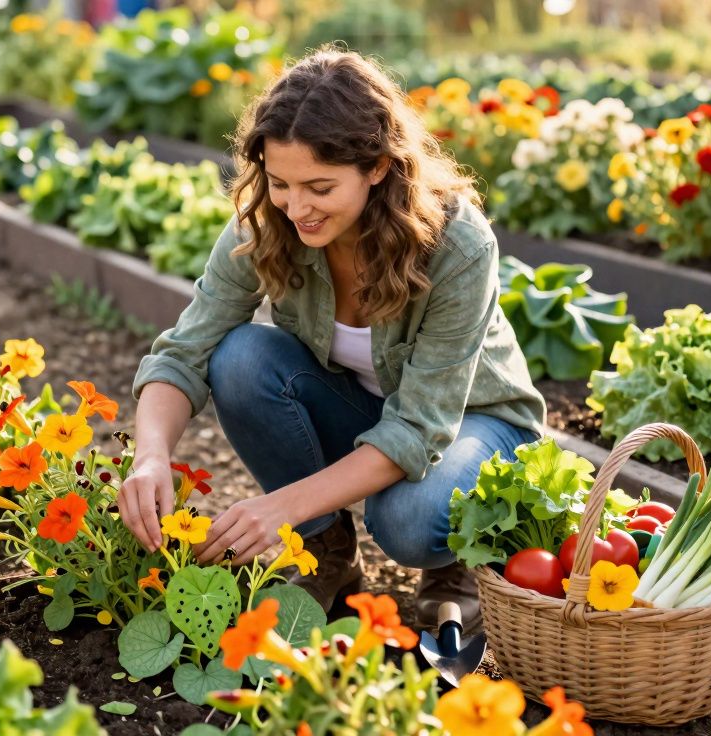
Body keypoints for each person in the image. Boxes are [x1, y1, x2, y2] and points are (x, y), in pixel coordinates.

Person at [118, 48, 546, 630]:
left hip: (474, 426)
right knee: (240, 357)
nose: (297, 207)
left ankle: (454, 562)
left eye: (320, 187)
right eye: (280, 183)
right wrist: (149, 459)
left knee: (408, 520)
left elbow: (420, 428)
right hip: (369, 412)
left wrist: (282, 506)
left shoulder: (457, 245)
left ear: (376, 167)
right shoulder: (267, 223)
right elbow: (185, 349)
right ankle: (328, 552)